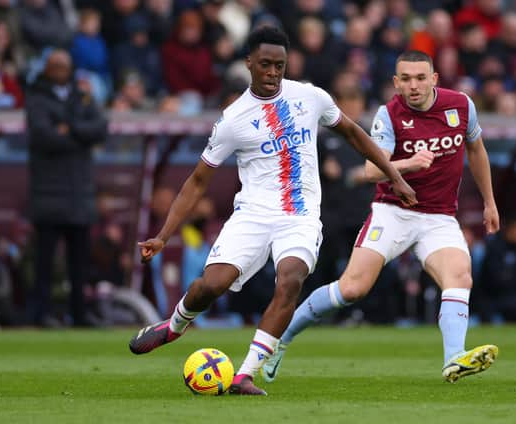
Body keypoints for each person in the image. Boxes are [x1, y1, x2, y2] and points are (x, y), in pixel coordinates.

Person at [128, 26, 416, 395]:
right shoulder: (233, 119)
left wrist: (394, 175)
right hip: (252, 214)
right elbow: (198, 180)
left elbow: (354, 133)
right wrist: (164, 235)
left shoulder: (310, 97)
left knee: (291, 279)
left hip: (300, 216)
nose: (272, 72)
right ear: (249, 63)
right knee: (210, 285)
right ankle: (174, 326)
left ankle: (244, 374)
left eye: (279, 65)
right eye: (265, 64)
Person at [262, 50, 500, 384]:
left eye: (420, 78)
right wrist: (408, 164)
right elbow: (372, 169)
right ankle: (282, 338)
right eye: (406, 79)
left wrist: (489, 201)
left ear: (434, 79)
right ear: (396, 82)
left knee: (459, 277)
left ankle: (453, 359)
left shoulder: (461, 105)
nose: (413, 86)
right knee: (352, 288)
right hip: (394, 213)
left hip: (438, 217)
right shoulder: (388, 115)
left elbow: (476, 149)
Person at [25, 48, 108, 327]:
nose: (61, 70)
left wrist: (68, 128)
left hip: (79, 194)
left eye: (65, 65)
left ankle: (80, 314)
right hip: (48, 194)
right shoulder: (36, 97)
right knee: (45, 262)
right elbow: (43, 135)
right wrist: (80, 135)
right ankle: (42, 314)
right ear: (47, 68)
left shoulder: (81, 95)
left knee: (79, 264)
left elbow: (100, 127)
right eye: (56, 65)